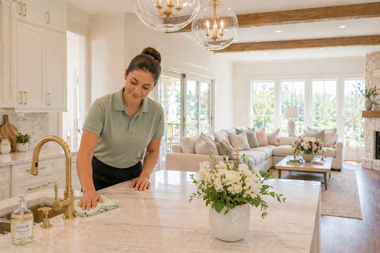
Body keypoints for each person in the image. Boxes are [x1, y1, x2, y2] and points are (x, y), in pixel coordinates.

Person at [76, 47, 164, 210]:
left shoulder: (156, 112)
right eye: (133, 82)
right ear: (125, 74)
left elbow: (153, 151)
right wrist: (88, 190)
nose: (137, 91)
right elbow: (84, 153)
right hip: (98, 177)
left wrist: (145, 175)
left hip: (133, 179)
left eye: (146, 87)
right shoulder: (102, 106)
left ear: (154, 86)